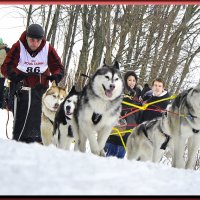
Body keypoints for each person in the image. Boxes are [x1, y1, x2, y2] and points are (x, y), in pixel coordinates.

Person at [1, 24, 64, 143]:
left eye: (38, 40)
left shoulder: (47, 48)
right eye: (31, 40)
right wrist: (14, 75)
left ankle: (38, 143)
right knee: (22, 121)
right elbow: (6, 66)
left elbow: (58, 67)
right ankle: (20, 143)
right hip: (21, 90)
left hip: (40, 91)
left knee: (39, 120)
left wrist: (56, 75)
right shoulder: (19, 46)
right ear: (27, 38)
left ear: (42, 39)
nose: (34, 43)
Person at [104, 71, 142, 158]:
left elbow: (139, 113)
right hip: (116, 128)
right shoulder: (118, 91)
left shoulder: (138, 95)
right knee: (109, 156)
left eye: (134, 80)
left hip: (128, 131)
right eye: (129, 80)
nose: (132, 82)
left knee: (120, 158)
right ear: (125, 80)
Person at [0, 37, 8, 109]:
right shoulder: (4, 50)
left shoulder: (2, 51)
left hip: (1, 74)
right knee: (1, 89)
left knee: (1, 89)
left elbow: (2, 62)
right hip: (3, 74)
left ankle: (1, 103)